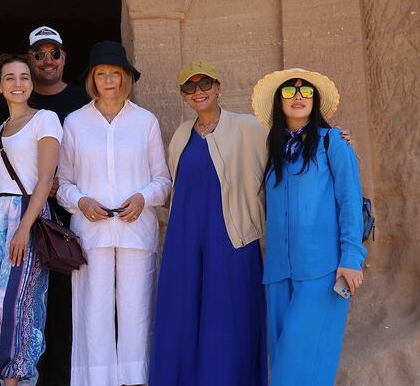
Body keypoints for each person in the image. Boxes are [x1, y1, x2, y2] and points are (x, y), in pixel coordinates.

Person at [56, 41, 171, 386]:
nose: (109, 81)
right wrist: (81, 201)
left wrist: (143, 197)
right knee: (94, 312)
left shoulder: (145, 121)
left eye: (115, 74)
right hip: (91, 233)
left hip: (137, 232)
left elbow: (163, 181)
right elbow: (62, 182)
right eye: (101, 74)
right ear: (92, 79)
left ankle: (136, 381)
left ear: (125, 79)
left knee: (137, 311)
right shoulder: (75, 123)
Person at [150, 61, 268, 386]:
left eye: (205, 84)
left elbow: (289, 149)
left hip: (231, 239)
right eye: (190, 87)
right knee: (183, 315)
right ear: (183, 95)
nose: (198, 92)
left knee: (228, 316)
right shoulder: (181, 135)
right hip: (185, 241)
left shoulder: (248, 127)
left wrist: (333, 138)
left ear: (218, 87)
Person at [251, 68, 366, 385]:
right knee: (283, 363)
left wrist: (351, 258)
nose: (298, 97)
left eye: (306, 92)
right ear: (279, 101)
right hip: (278, 272)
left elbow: (350, 202)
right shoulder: (272, 150)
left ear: (315, 101)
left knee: (298, 365)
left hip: (323, 270)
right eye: (289, 92)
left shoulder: (334, 144)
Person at [0, 53, 62, 386]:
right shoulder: (1, 128)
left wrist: (24, 228)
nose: (19, 83)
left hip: (25, 214)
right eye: (11, 78)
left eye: (24, 77)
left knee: (18, 302)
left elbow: (45, 180)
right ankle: (7, 380)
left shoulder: (46, 119)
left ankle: (19, 380)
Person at [24, 25, 88, 386]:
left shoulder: (82, 101)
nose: (47, 60)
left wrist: (62, 187)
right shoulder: (21, 98)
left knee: (65, 306)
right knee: (27, 306)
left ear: (65, 57)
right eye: (39, 54)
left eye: (54, 53)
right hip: (25, 216)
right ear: (29, 59)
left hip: (72, 217)